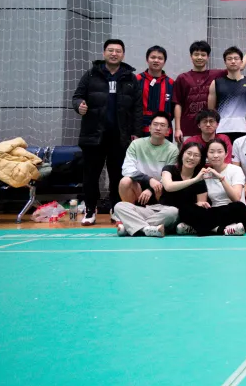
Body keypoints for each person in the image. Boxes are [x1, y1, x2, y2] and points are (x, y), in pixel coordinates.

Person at [72, 38, 143, 225]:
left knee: (117, 175)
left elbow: (137, 108)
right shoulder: (90, 74)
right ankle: (90, 210)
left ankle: (115, 209)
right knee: (91, 175)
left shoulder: (130, 78)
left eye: (118, 51)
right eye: (110, 50)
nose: (114, 54)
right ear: (104, 53)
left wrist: (136, 132)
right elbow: (77, 97)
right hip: (93, 135)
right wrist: (79, 105)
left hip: (120, 137)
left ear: (123, 55)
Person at [174, 38, 246, 143]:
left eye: (203, 55)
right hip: (188, 128)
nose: (199, 57)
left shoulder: (216, 75)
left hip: (211, 129)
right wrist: (177, 128)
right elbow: (178, 104)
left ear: (208, 57)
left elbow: (237, 65)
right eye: (196, 54)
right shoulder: (182, 78)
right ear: (191, 56)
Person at [113, 111, 179, 237]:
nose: (158, 128)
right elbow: (127, 169)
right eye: (155, 124)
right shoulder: (136, 144)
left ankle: (131, 225)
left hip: (160, 197)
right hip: (138, 192)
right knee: (122, 191)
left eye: (162, 125)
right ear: (149, 128)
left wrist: (151, 189)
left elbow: (169, 177)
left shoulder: (172, 150)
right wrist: (148, 180)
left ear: (168, 131)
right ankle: (148, 228)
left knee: (173, 212)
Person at [175, 139, 246, 236]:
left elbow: (236, 198)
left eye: (219, 152)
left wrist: (220, 178)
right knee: (185, 208)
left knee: (238, 207)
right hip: (213, 212)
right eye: (211, 152)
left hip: (234, 211)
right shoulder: (204, 173)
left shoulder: (236, 170)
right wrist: (199, 204)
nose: (215, 155)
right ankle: (222, 229)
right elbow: (202, 202)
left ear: (226, 154)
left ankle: (197, 228)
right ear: (207, 155)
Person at [207, 46, 246, 144]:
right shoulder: (216, 83)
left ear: (241, 62)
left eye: (236, 58)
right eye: (229, 59)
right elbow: (211, 110)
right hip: (222, 129)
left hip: (244, 129)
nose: (233, 61)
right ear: (225, 62)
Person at [159, 141, 208, 235]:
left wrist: (200, 204)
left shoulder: (200, 180)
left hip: (181, 215)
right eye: (189, 153)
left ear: (200, 160)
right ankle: (147, 227)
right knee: (126, 207)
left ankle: (142, 226)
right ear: (182, 154)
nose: (191, 157)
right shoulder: (169, 169)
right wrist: (194, 180)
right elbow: (168, 186)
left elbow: (201, 205)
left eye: (196, 155)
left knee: (173, 212)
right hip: (162, 211)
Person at [137, 45, 175, 137]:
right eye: (153, 57)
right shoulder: (137, 80)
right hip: (140, 130)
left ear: (164, 61)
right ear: (147, 59)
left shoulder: (171, 83)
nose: (156, 60)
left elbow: (174, 109)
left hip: (164, 132)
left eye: (160, 58)